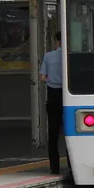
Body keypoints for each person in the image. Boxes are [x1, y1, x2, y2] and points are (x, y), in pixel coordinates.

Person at [38, 31, 64, 174]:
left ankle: (54, 167)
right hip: (67, 95)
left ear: (57, 41)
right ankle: (72, 165)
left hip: (53, 95)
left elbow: (42, 77)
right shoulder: (68, 56)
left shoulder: (48, 56)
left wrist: (51, 79)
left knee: (53, 133)